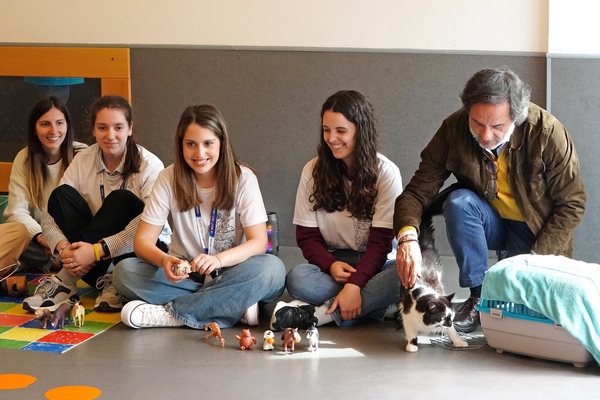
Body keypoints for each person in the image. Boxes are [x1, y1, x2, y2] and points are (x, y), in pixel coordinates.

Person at [394, 67, 586, 333]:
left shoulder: (547, 132)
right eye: (476, 123)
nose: (485, 136)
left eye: (497, 126)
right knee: (458, 202)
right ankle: (478, 297)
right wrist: (407, 238)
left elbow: (572, 203)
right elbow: (417, 192)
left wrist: (534, 259)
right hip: (488, 221)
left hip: (535, 230)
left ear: (516, 116)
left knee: (520, 312)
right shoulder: (453, 128)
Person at [113, 104, 285, 329]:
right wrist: (165, 261)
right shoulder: (168, 178)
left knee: (272, 270)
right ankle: (233, 303)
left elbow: (259, 242)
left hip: (232, 271)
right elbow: (142, 241)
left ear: (221, 143)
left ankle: (172, 315)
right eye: (191, 144)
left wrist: (218, 260)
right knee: (124, 273)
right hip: (186, 275)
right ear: (181, 144)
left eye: (208, 144)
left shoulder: (243, 178)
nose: (200, 153)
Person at [269, 90, 403, 331]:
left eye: (341, 131)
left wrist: (355, 285)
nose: (331, 139)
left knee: (404, 275)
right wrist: (330, 265)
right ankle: (382, 307)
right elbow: (307, 237)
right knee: (298, 278)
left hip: (379, 264)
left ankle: (319, 315)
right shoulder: (312, 170)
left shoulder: (386, 173)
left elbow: (381, 244)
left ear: (360, 131)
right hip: (336, 264)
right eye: (326, 130)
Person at [22, 95, 169, 313]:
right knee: (60, 195)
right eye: (102, 128)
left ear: (130, 128)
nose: (110, 135)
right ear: (93, 130)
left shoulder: (150, 165)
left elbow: (149, 225)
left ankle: (65, 281)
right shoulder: (83, 159)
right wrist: (65, 250)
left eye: (118, 127)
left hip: (141, 255)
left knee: (122, 200)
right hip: (89, 264)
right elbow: (50, 213)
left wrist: (97, 251)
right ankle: (97, 277)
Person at [4, 96, 86, 273]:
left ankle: (25, 263)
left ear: (67, 126)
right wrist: (45, 239)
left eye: (59, 123)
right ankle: (51, 261)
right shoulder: (24, 158)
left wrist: (62, 244)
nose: (53, 130)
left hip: (78, 242)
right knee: (16, 235)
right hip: (40, 243)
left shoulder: (83, 155)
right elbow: (16, 212)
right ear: (34, 128)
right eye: (45, 124)